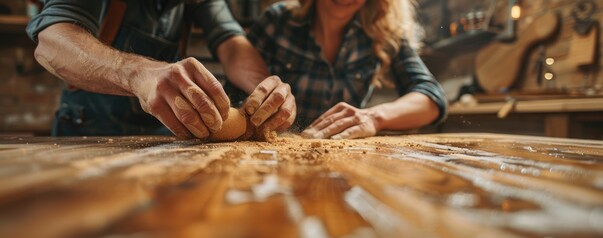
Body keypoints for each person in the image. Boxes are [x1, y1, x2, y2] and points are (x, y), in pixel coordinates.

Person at [26, 0, 296, 139]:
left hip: (160, 139)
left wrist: (265, 88)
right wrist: (138, 73)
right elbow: (52, 41)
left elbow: (231, 44)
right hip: (89, 132)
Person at [246, 0, 448, 139]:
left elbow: (432, 99)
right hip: (273, 160)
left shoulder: (384, 32)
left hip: (346, 161)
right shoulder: (276, 22)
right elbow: (237, 100)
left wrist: (374, 118)